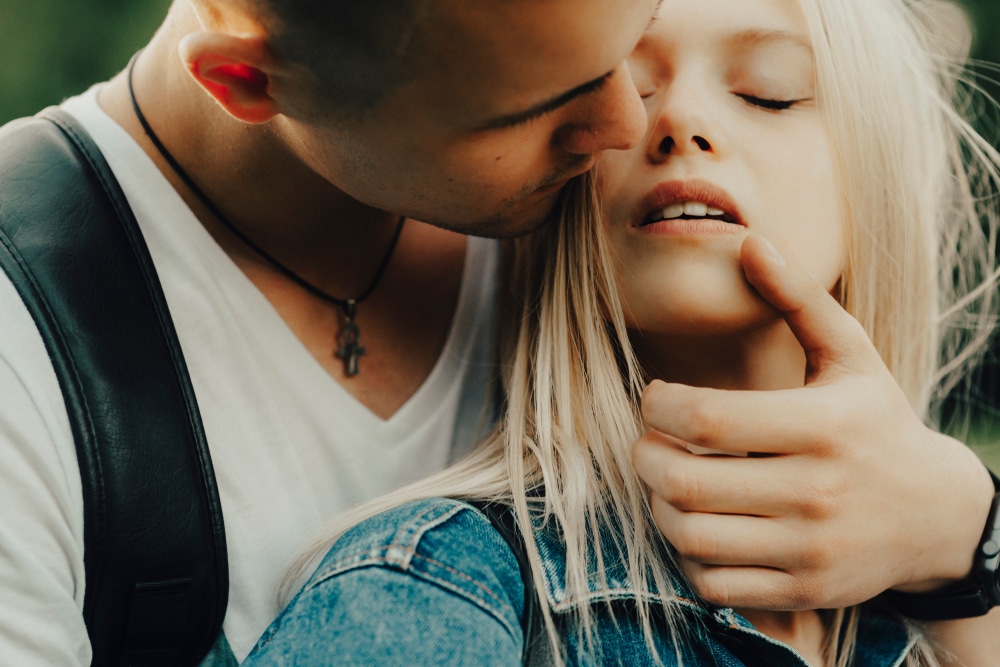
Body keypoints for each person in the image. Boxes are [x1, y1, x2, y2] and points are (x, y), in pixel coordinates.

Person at [0, 0, 997, 664]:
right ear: (249, 82)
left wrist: (964, 539)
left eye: (770, 91)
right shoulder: (29, 358)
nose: (630, 123)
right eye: (548, 100)